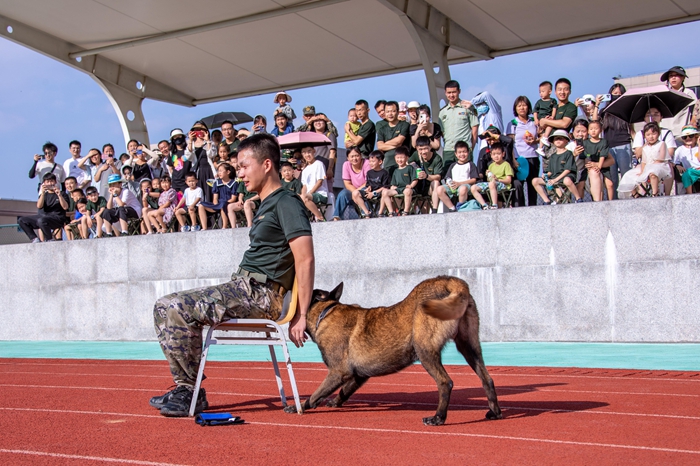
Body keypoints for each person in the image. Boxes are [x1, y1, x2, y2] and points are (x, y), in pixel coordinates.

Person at [150, 133, 314, 417]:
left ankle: (189, 392)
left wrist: (301, 315)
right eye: (238, 168)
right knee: (164, 306)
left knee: (175, 306)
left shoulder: (286, 202)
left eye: (244, 166)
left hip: (263, 294)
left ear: (266, 165)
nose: (240, 173)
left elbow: (306, 258)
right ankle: (187, 388)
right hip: (244, 287)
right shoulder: (264, 203)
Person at [594, 83, 632, 198]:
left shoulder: (626, 109)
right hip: (609, 146)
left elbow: (632, 129)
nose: (616, 96)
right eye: (614, 93)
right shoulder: (605, 111)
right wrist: (597, 105)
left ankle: (628, 199)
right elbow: (595, 122)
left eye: (619, 94)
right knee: (612, 178)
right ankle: (613, 200)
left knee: (626, 175)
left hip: (624, 144)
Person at [619, 122, 672, 198]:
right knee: (628, 175)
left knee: (653, 173)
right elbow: (644, 161)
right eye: (648, 135)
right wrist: (642, 172)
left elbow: (661, 158)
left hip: (660, 166)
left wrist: (651, 167)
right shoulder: (645, 147)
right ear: (644, 136)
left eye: (654, 134)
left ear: (658, 134)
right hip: (647, 167)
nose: (651, 137)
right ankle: (635, 195)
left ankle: (654, 193)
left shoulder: (661, 144)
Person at [439, 80, 479, 177]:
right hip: (448, 150)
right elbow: (442, 132)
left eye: (454, 92)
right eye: (449, 92)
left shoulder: (467, 107)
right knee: (448, 178)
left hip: (464, 150)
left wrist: (471, 148)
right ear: (445, 93)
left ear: (459, 91)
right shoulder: (443, 112)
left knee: (467, 176)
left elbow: (474, 128)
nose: (451, 95)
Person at [505, 96, 540, 206]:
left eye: (524, 105)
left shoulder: (534, 121)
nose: (522, 108)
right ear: (515, 108)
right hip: (519, 158)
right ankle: (520, 207)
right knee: (519, 185)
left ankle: (533, 207)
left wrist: (535, 140)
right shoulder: (513, 123)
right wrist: (513, 160)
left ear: (528, 107)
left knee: (533, 184)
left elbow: (541, 137)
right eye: (519, 106)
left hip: (533, 156)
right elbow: (509, 144)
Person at [532, 130, 581, 205]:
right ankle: (547, 200)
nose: (558, 140)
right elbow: (550, 171)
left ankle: (578, 198)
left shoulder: (569, 153)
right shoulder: (553, 156)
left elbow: (567, 170)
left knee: (567, 180)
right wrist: (546, 175)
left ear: (566, 141)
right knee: (535, 181)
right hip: (554, 178)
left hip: (565, 177)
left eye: (561, 138)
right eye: (556, 139)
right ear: (553, 142)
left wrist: (555, 180)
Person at [19, 173, 70, 243]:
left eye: (51, 181)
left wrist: (59, 195)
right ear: (44, 183)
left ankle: (49, 239)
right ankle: (34, 238)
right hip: (44, 217)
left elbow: (65, 207)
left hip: (57, 218)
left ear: (55, 182)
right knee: (22, 220)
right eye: (47, 182)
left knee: (41, 220)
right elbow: (39, 206)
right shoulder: (44, 195)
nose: (50, 183)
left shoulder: (63, 194)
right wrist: (42, 193)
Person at [436, 141, 477, 212]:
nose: (462, 154)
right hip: (453, 187)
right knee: (439, 189)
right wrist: (449, 183)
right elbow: (448, 178)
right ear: (456, 154)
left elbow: (474, 180)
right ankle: (452, 208)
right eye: (459, 152)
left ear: (468, 152)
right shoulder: (453, 165)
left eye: (464, 152)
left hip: (466, 186)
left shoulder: (471, 164)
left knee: (463, 188)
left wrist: (459, 183)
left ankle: (460, 207)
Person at [471, 143, 514, 210]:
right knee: (473, 187)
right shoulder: (491, 165)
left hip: (503, 184)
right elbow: (489, 180)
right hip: (492, 184)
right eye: (494, 154)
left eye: (498, 154)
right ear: (491, 155)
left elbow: (509, 180)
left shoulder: (506, 164)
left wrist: (498, 180)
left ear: (503, 154)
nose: (496, 156)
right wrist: (488, 175)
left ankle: (494, 204)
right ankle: (484, 205)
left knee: (491, 184)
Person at [660, 66, 697, 140]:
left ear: (683, 78)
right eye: (671, 76)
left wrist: (692, 123)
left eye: (676, 75)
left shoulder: (688, 93)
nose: (673, 78)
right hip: (664, 133)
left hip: (681, 134)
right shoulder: (664, 93)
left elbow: (695, 111)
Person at [333, 147, 369, 221]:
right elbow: (347, 184)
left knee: (364, 192)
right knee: (342, 194)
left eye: (357, 156)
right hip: (352, 190)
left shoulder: (367, 163)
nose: (354, 158)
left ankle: (366, 215)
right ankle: (337, 217)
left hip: (365, 189)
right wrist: (354, 192)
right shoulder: (346, 165)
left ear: (361, 156)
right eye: (352, 156)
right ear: (348, 158)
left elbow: (368, 182)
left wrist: (356, 193)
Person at [376, 101, 410, 178]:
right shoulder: (382, 129)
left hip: (403, 163)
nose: (390, 114)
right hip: (388, 164)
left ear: (397, 111)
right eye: (388, 112)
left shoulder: (404, 125)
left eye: (393, 111)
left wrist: (385, 144)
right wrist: (396, 146)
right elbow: (380, 146)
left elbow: (399, 141)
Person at [408, 136, 443, 212]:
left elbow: (438, 176)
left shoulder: (437, 158)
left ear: (430, 147)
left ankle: (434, 210)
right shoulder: (416, 155)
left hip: (430, 187)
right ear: (417, 148)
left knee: (436, 182)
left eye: (425, 148)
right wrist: (416, 167)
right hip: (418, 185)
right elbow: (408, 163)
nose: (423, 152)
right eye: (420, 149)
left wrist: (426, 176)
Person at [380, 146, 417, 216]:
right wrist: (392, 187)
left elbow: (415, 179)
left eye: (402, 157)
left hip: (407, 189)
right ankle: (391, 212)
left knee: (407, 191)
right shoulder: (395, 170)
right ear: (395, 158)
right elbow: (393, 183)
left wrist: (411, 186)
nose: (400, 160)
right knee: (385, 192)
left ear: (407, 158)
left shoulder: (410, 168)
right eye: (398, 158)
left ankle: (406, 211)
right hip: (398, 189)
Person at [199, 165, 238, 230]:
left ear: (228, 172)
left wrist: (223, 204)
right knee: (201, 205)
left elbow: (233, 199)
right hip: (218, 204)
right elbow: (215, 198)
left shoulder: (234, 183)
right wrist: (216, 205)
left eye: (221, 171)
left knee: (223, 204)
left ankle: (224, 226)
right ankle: (204, 228)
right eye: (218, 171)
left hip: (228, 203)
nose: (219, 173)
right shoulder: (217, 183)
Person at [353, 150, 390, 218]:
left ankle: (380, 213)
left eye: (373, 161)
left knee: (384, 192)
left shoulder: (384, 173)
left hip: (379, 193)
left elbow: (385, 187)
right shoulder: (369, 173)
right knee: (355, 193)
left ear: (380, 162)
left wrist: (373, 193)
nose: (371, 163)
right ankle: (367, 212)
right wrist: (368, 188)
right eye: (370, 161)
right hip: (370, 192)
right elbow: (368, 184)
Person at [186, 121, 216, 202]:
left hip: (209, 170)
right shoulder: (191, 143)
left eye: (201, 129)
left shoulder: (210, 142)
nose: (198, 131)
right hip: (197, 171)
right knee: (198, 191)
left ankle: (211, 207)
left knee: (210, 191)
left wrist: (208, 140)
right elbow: (188, 156)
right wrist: (190, 140)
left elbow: (212, 154)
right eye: (196, 129)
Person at [583, 120, 613, 201]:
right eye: (591, 129)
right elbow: (586, 155)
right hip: (591, 165)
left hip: (603, 165)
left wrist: (599, 166)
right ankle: (598, 201)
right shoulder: (585, 143)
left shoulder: (603, 142)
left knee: (610, 184)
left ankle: (611, 202)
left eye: (596, 129)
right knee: (598, 185)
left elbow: (603, 155)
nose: (593, 131)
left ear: (600, 130)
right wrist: (589, 165)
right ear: (588, 131)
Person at [299, 145, 329, 222]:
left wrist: (309, 193)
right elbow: (304, 186)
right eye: (304, 152)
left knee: (306, 198)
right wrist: (302, 195)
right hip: (310, 195)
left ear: (314, 151)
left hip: (321, 194)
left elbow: (320, 182)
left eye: (309, 151)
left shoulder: (319, 164)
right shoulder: (305, 170)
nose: (307, 154)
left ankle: (320, 217)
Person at [533, 81, 558, 155]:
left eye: (543, 91)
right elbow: (535, 111)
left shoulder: (553, 101)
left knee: (549, 126)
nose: (541, 93)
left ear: (549, 91)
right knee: (544, 132)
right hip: (541, 118)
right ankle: (545, 139)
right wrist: (536, 119)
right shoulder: (539, 102)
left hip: (549, 118)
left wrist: (552, 116)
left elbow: (554, 109)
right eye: (540, 92)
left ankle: (540, 148)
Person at [312, 116, 338, 185]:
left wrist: (330, 169)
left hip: (325, 172)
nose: (318, 123)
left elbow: (332, 152)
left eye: (321, 120)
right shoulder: (311, 136)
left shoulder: (329, 135)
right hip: (313, 170)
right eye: (316, 121)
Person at [674, 126, 700, 193]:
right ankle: (689, 195)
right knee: (686, 174)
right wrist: (677, 165)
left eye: (691, 136)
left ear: (696, 136)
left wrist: (699, 144)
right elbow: (674, 162)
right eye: (684, 137)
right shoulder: (680, 150)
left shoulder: (698, 147)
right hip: (690, 172)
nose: (688, 138)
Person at [168, 128, 193, 193]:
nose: (177, 138)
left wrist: (190, 140)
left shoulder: (187, 150)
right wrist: (174, 175)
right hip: (175, 183)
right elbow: (170, 166)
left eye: (179, 136)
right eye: (175, 137)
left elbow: (190, 152)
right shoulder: (171, 152)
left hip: (186, 182)